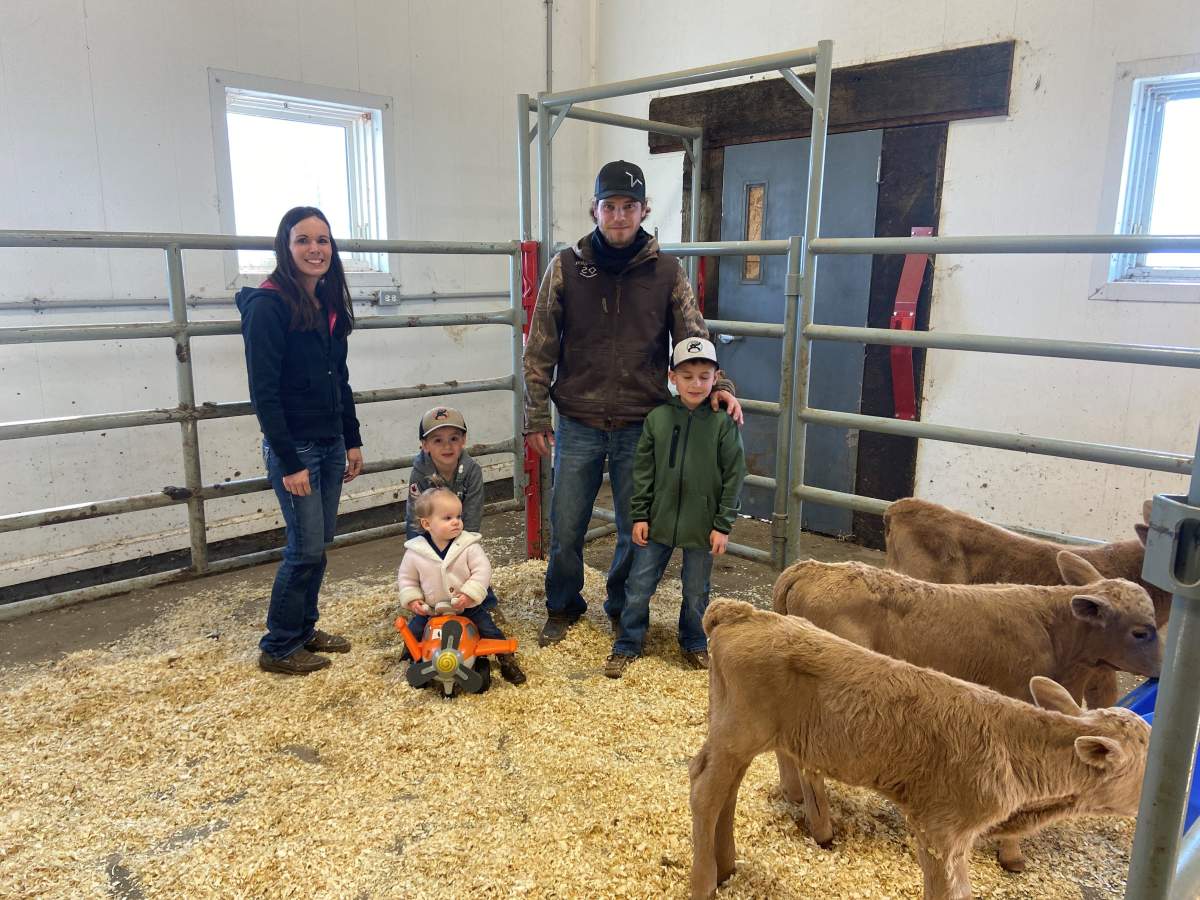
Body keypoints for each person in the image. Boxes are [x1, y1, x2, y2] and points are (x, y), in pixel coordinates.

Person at [523, 159, 743, 648]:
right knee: (566, 525)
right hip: (577, 418)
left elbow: (693, 335)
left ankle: (621, 609)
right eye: (609, 206)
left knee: (633, 527)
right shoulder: (565, 267)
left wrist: (720, 383)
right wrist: (536, 414)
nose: (619, 216)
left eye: (628, 206)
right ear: (594, 210)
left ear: (643, 210)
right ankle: (562, 604)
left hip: (641, 424)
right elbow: (540, 346)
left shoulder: (667, 272)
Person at [237, 206, 364, 676]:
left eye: (323, 240)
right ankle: (279, 644)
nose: (315, 249)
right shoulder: (269, 307)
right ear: (284, 248)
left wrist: (351, 439)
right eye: (303, 240)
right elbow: (264, 393)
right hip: (299, 450)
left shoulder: (328, 306)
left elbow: (340, 379)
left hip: (330, 442)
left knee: (320, 541)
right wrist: (289, 461)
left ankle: (304, 628)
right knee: (304, 548)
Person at [604, 338, 746, 678]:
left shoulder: (723, 423)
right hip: (658, 520)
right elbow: (644, 470)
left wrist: (723, 524)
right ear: (672, 377)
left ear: (716, 378)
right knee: (639, 586)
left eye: (703, 376)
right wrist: (640, 514)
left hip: (703, 523)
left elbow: (735, 473)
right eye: (687, 376)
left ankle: (694, 641)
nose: (695, 384)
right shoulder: (658, 418)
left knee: (697, 590)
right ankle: (627, 643)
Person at [398, 488, 526, 685]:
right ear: (426, 523)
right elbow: (407, 579)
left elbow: (482, 570)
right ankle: (412, 657)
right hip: (432, 610)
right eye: (448, 517)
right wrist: (413, 599)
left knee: (488, 629)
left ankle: (506, 658)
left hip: (466, 608)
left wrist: (469, 594)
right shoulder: (415, 552)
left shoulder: (468, 545)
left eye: (458, 516)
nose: (456, 521)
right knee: (413, 630)